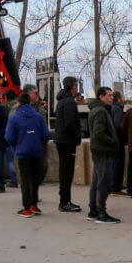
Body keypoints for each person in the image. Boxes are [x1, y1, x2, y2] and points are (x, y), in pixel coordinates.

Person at [4, 92, 51, 217]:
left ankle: (26, 209)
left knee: (25, 180)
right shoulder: (38, 117)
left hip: (22, 152)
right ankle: (34, 205)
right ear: (30, 102)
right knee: (35, 179)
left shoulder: (14, 118)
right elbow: (46, 135)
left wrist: (17, 145)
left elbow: (9, 136)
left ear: (18, 103)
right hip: (36, 151)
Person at [86, 87, 120, 224]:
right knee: (103, 183)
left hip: (99, 150)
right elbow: (98, 133)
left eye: (112, 95)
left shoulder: (97, 110)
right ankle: (101, 213)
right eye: (109, 95)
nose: (112, 98)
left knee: (96, 182)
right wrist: (112, 142)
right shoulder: (100, 111)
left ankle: (93, 211)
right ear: (101, 97)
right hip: (103, 151)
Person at [53, 76, 82, 212]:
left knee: (64, 172)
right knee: (66, 172)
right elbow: (70, 122)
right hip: (67, 141)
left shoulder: (62, 101)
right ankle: (65, 202)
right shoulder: (69, 102)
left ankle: (64, 200)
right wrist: (78, 135)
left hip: (61, 140)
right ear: (74, 87)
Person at [109, 90, 127, 195]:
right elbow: (119, 125)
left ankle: (114, 185)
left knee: (113, 164)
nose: (124, 99)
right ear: (119, 99)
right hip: (118, 141)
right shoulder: (118, 109)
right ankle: (115, 187)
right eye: (123, 97)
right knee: (118, 164)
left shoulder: (112, 108)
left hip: (113, 140)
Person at [2, 90, 19, 187]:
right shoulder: (18, 105)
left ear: (6, 97)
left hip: (9, 135)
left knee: (9, 160)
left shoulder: (5, 106)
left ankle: (13, 179)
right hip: (20, 136)